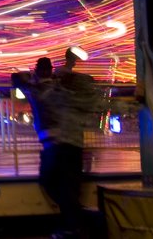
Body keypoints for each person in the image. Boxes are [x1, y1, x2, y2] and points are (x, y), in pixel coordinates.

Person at [51, 47, 102, 238]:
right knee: (70, 183)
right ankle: (75, 223)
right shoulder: (72, 81)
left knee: (65, 184)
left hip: (64, 141)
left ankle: (73, 225)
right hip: (74, 142)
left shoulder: (62, 81)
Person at [11, 56, 61, 209]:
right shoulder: (59, 86)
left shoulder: (34, 89)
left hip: (49, 137)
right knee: (62, 179)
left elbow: (15, 78)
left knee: (47, 179)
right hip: (67, 135)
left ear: (38, 71)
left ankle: (68, 214)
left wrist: (32, 77)